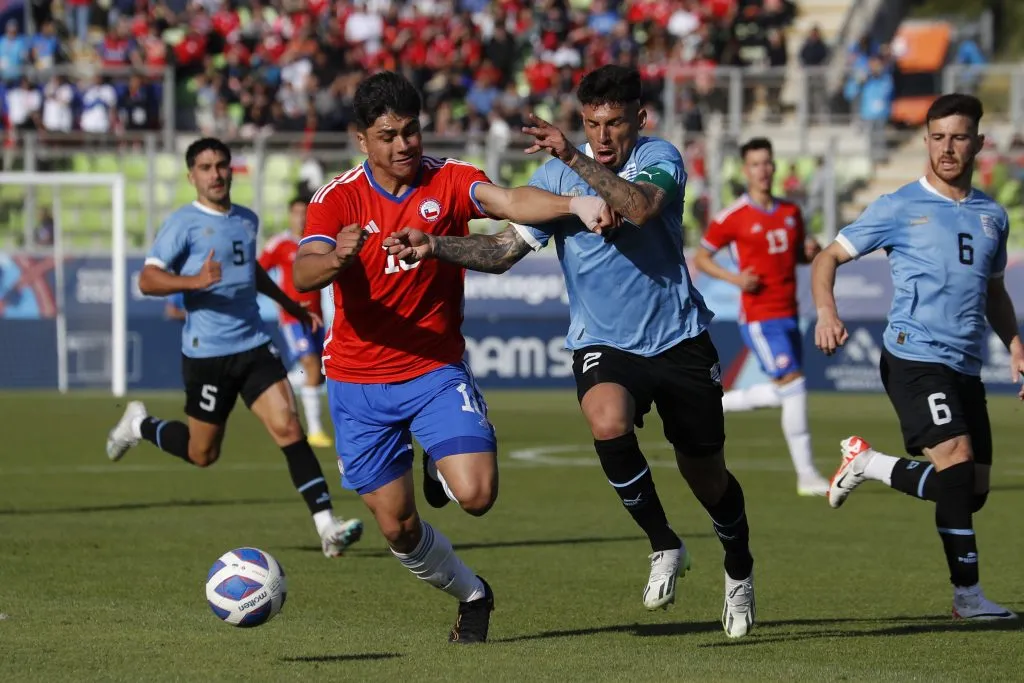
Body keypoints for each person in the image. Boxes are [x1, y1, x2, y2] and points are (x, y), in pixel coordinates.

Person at [385, 65, 757, 638]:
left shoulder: (661, 157)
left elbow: (638, 208)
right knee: (606, 421)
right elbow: (505, 249)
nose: (602, 136)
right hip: (603, 341)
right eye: (591, 124)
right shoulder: (557, 173)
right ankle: (663, 543)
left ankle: (739, 569)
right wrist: (434, 245)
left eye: (613, 123)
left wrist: (572, 157)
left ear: (640, 118)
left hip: (679, 338)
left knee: (706, 476)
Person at [292, 71, 610, 644]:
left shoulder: (451, 178)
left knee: (479, 496)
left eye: (411, 131)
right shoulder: (337, 198)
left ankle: (438, 457)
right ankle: (473, 593)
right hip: (357, 384)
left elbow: (510, 201)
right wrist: (338, 260)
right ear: (362, 139)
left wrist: (576, 202)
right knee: (398, 527)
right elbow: (302, 270)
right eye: (388, 135)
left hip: (434, 370)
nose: (404, 145)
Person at [812, 94, 1021, 620]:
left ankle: (867, 462)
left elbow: (994, 293)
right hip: (913, 356)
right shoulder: (899, 206)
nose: (947, 148)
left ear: (977, 142)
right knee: (955, 467)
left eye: (958, 137)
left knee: (969, 493)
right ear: (926, 140)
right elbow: (827, 256)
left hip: (966, 366)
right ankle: (968, 599)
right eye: (937, 137)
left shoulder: (993, 216)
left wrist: (1015, 344)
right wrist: (826, 311)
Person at [105, 137, 363, 559]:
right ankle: (140, 425)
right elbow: (147, 280)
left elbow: (252, 272)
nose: (216, 174)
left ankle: (327, 526)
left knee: (289, 428)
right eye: (205, 167)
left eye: (221, 165)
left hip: (254, 344)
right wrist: (194, 282)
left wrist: (290, 306)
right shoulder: (182, 224)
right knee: (201, 454)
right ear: (192, 176)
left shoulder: (246, 219)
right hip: (207, 355)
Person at [694, 137, 830, 497]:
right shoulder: (733, 217)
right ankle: (807, 475)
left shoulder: (790, 212)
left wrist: (809, 252)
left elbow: (798, 257)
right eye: (756, 164)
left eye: (768, 163)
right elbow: (702, 257)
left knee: (786, 391)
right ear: (745, 170)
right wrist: (735, 278)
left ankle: (714, 403)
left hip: (790, 313)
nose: (764, 170)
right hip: (759, 315)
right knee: (794, 385)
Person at [258, 196, 332, 448]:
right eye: (296, 213)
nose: (301, 218)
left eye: (305, 213)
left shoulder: (319, 242)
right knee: (311, 366)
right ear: (290, 215)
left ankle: (287, 378)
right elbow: (258, 271)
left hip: (317, 317)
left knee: (317, 373)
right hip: (292, 318)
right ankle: (314, 430)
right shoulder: (280, 244)